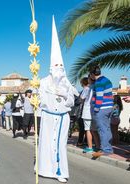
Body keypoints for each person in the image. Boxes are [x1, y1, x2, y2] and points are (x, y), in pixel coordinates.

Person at [37, 17, 75, 183]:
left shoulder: (67, 83)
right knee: (45, 143)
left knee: (60, 144)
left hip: (62, 118)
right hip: (48, 117)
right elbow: (41, 100)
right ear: (51, 68)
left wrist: (64, 94)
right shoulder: (44, 82)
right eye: (56, 67)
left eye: (61, 67)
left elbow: (72, 102)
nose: (59, 70)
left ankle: (60, 171)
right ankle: (45, 169)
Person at [89, 65, 114, 158]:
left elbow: (99, 96)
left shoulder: (98, 82)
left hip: (102, 108)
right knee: (107, 128)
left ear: (92, 74)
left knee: (102, 129)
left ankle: (106, 149)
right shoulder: (106, 80)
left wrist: (96, 108)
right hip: (109, 107)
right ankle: (108, 147)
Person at [80, 77, 93, 153]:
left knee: (88, 129)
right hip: (93, 111)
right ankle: (97, 146)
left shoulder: (86, 89)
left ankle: (90, 147)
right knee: (94, 130)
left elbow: (82, 97)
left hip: (87, 111)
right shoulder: (93, 88)